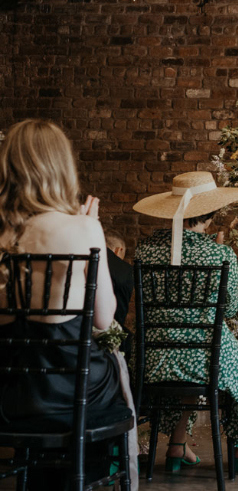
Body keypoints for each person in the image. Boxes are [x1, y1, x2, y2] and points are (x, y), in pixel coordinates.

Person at [0, 120, 133, 488]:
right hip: (70, 395)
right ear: (62, 167)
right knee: (111, 367)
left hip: (10, 396)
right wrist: (90, 230)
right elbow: (105, 320)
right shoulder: (81, 228)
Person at [133, 171, 238, 472]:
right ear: (209, 215)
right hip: (205, 357)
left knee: (187, 349)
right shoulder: (221, 254)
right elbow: (230, 310)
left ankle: (177, 444)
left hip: (152, 356)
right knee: (231, 353)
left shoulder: (144, 251)